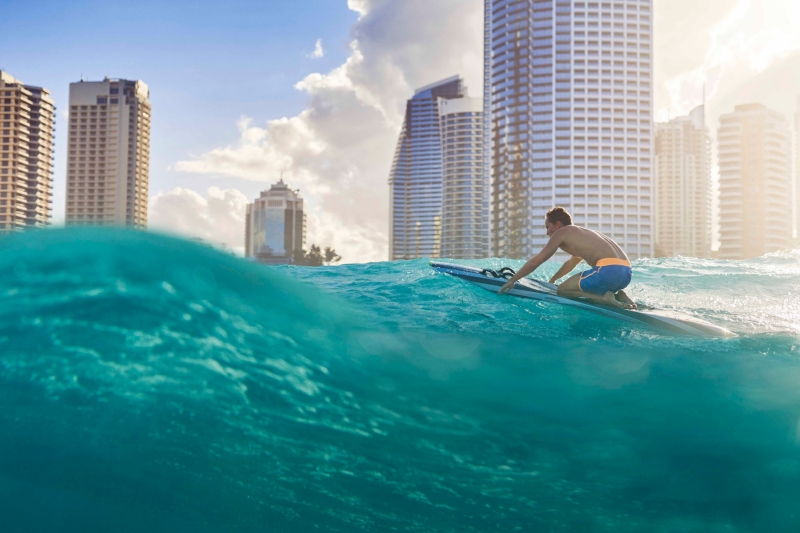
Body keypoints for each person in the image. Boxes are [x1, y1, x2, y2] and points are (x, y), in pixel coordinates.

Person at [498, 207, 637, 309]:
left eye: (548, 227)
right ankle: (619, 295)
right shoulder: (583, 234)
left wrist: (512, 280)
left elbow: (537, 260)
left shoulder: (562, 233)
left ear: (558, 225)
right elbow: (572, 262)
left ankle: (603, 299)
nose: (547, 233)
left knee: (562, 290)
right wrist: (553, 280)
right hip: (626, 274)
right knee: (590, 283)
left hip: (608, 271)